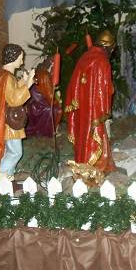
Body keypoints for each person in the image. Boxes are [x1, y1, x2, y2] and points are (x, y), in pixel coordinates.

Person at [64, 30, 116, 173]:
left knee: (83, 132)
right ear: (108, 47)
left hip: (82, 106)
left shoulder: (85, 57)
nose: (112, 52)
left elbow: (74, 84)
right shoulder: (102, 61)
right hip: (95, 108)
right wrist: (104, 112)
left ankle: (83, 161)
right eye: (112, 49)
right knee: (95, 133)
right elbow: (102, 89)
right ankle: (96, 166)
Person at [0, 44, 35, 193]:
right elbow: (14, 99)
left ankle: (8, 179)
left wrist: (23, 82)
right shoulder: (7, 77)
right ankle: (0, 176)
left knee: (9, 152)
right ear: (13, 58)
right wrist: (29, 84)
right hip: (9, 124)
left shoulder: (3, 75)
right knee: (15, 152)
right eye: (21, 58)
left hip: (5, 121)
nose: (22, 61)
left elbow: (9, 93)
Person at [25, 57, 63, 137]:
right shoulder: (44, 75)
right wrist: (57, 101)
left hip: (34, 103)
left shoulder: (39, 71)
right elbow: (49, 95)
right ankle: (51, 131)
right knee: (58, 110)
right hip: (39, 105)